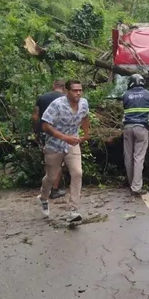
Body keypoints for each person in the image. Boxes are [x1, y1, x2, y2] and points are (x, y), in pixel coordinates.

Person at [39, 80, 90, 220]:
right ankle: (43, 198)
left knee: (77, 172)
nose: (78, 93)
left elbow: (85, 117)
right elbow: (45, 125)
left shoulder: (84, 103)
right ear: (67, 91)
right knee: (51, 176)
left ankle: (73, 209)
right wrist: (64, 137)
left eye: (80, 90)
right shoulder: (57, 104)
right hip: (54, 144)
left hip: (73, 143)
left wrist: (85, 134)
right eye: (75, 90)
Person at [122, 74, 149, 196]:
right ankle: (136, 187)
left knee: (128, 156)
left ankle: (131, 182)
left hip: (127, 128)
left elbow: (125, 110)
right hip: (142, 128)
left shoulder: (126, 95)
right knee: (138, 157)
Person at [31, 80, 67, 200]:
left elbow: (35, 116)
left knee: (48, 160)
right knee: (59, 161)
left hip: (44, 132)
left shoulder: (42, 97)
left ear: (53, 86)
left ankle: (47, 188)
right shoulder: (66, 98)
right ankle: (54, 190)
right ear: (64, 88)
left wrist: (36, 131)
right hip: (60, 133)